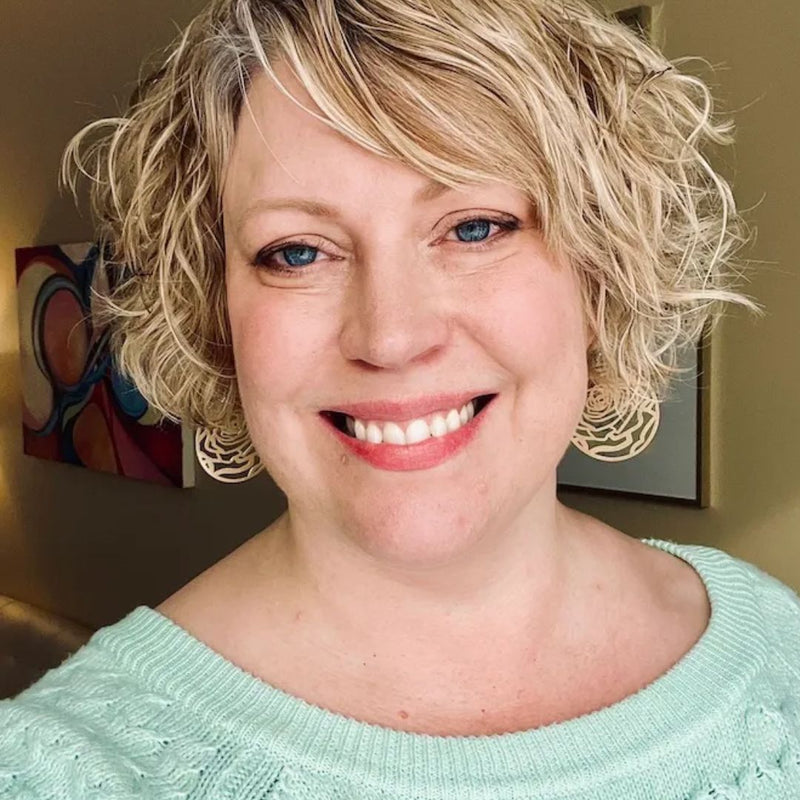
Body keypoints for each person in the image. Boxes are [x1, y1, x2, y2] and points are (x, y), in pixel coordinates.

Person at [2, 0, 799, 797]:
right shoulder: (55, 769)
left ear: (599, 270)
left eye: (476, 228)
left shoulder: (779, 649)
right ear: (214, 309)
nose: (390, 337)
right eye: (298, 251)